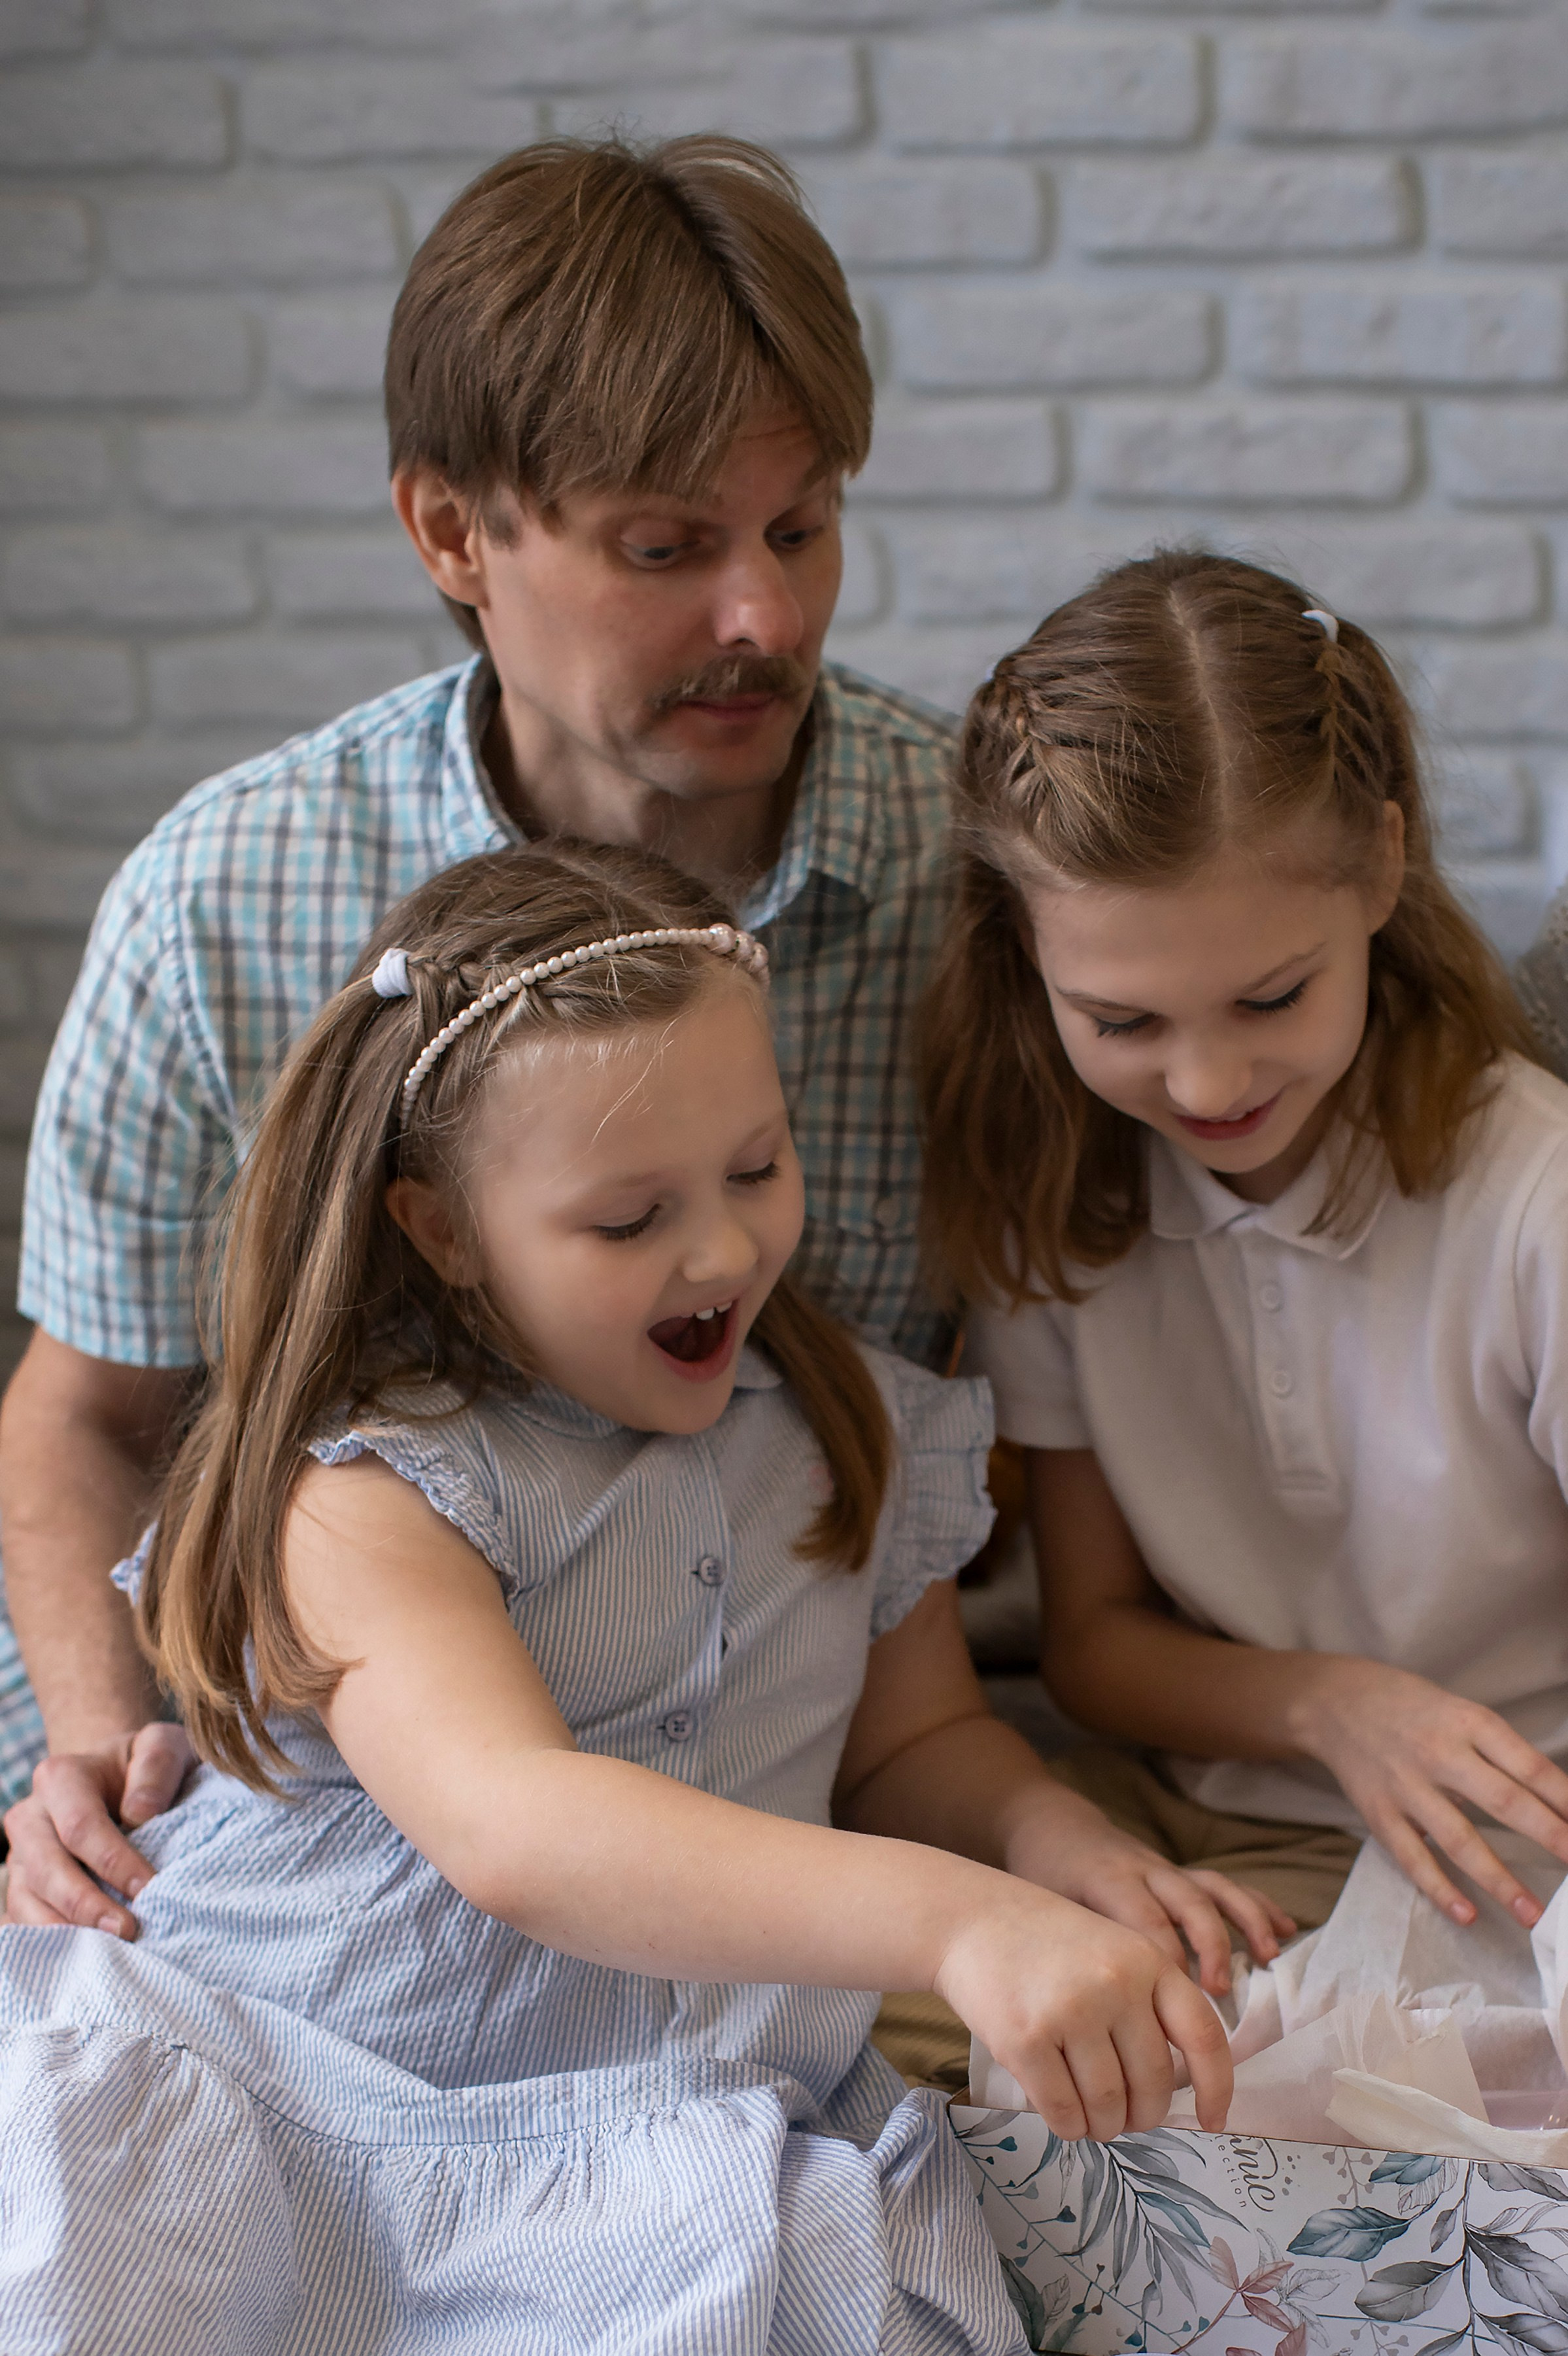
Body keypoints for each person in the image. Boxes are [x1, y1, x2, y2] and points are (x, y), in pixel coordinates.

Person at [0, 841, 1254, 2351]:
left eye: (754, 1167)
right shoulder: (369, 1488)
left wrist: (1065, 1852)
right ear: (441, 1229)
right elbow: (518, 1826)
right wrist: (955, 1924)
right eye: (626, 1219)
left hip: (686, 2119)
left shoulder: (847, 1422)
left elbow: (911, 1744)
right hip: (323, 2093)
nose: (722, 1248)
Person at [0, 134, 961, 1933]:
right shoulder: (225, 894)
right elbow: (83, 1416)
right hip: (324, 1791)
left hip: (771, 1752)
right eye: (664, 549)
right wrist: (86, 1739)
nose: (764, 617)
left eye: (800, 525)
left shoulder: (960, 873)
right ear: (452, 530)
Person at [923, 547, 1568, 1941]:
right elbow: (1091, 1640)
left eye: (1269, 995)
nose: (1208, 1086)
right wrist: (1329, 1705)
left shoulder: (1535, 1197)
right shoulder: (1053, 1202)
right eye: (1123, 1022)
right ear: (1025, 960)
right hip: (1204, 1812)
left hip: (1519, 1832)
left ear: (1382, 867)